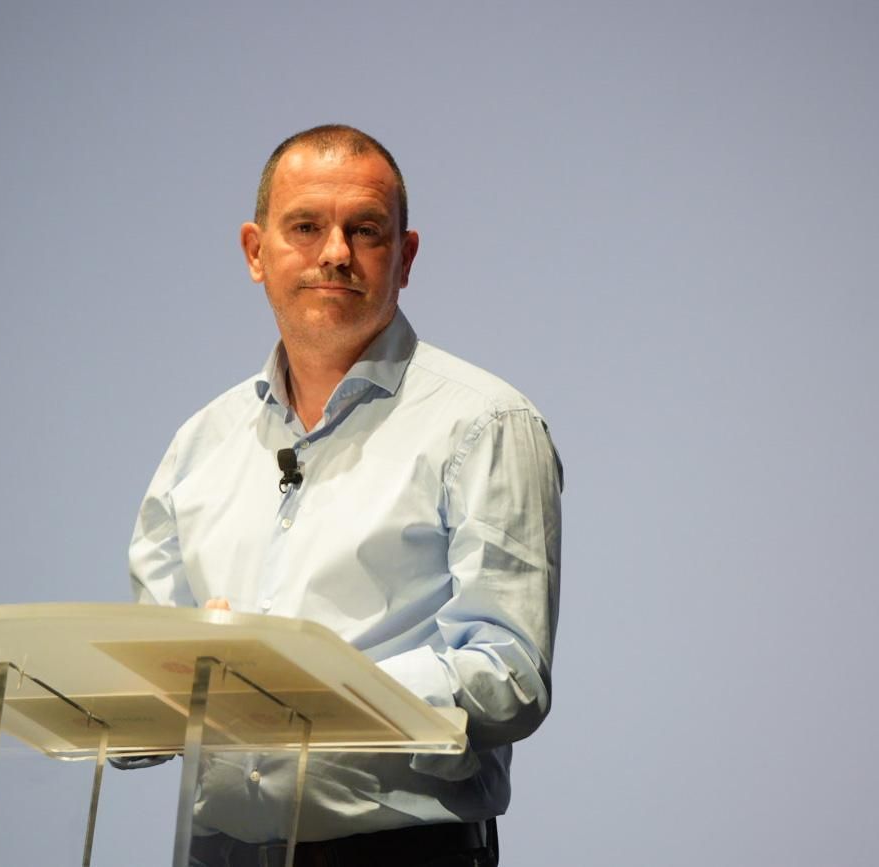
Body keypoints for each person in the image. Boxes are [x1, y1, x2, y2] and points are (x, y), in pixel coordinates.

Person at [128, 125, 562, 867]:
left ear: (406, 256)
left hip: (402, 852)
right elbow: (150, 684)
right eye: (305, 226)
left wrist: (307, 690)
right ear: (255, 252)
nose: (335, 252)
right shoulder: (199, 444)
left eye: (365, 230)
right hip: (213, 851)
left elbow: (510, 675)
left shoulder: (484, 423)